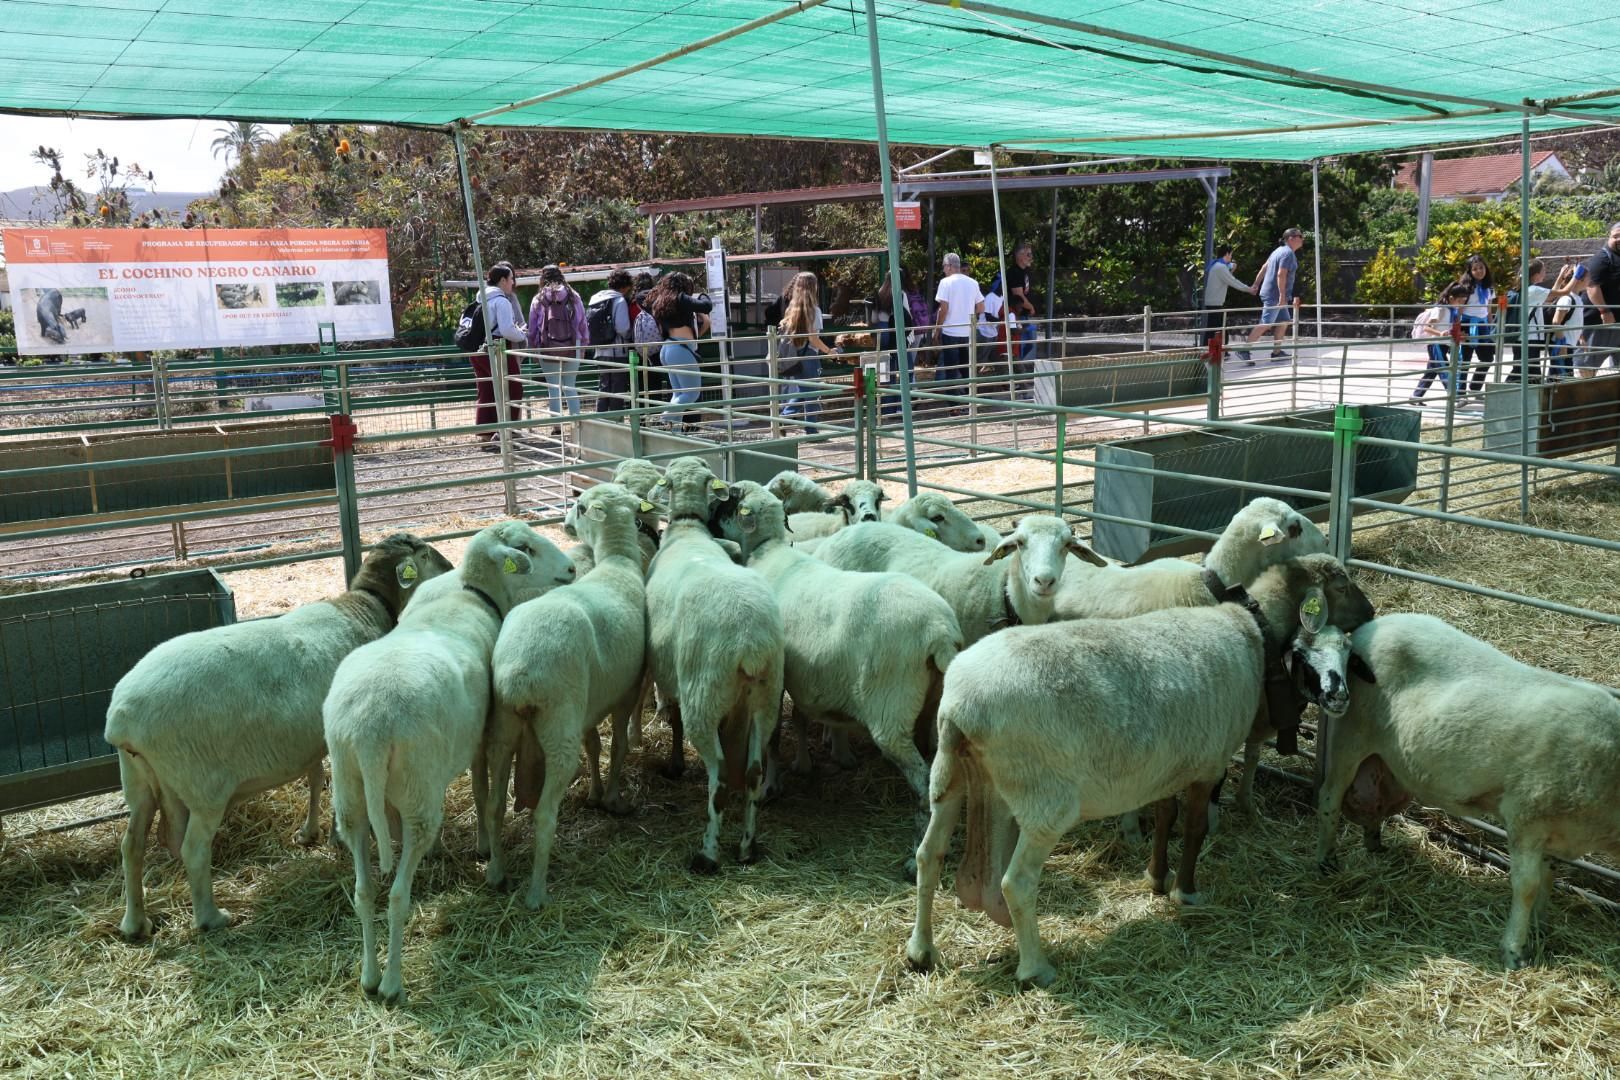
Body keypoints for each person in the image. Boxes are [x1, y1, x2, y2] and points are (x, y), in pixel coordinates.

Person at [469, 261, 527, 452]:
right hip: (495, 348)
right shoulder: (501, 301)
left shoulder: (480, 298)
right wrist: (522, 334)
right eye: (511, 279)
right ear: (502, 280)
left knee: (486, 389)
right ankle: (505, 433)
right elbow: (507, 330)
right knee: (514, 388)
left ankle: (486, 433)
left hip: (476, 351)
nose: (512, 283)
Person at [647, 271, 713, 429]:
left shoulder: (660, 301)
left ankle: (673, 432)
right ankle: (664, 417)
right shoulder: (680, 298)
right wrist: (703, 294)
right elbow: (706, 306)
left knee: (679, 395)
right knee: (692, 393)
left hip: (669, 348)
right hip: (681, 349)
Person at [526, 264, 588, 428]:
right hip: (573, 345)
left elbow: (532, 330)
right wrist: (583, 346)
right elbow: (582, 324)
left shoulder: (538, 299)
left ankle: (556, 427)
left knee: (553, 388)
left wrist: (534, 350)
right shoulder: (573, 296)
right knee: (570, 386)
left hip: (547, 347)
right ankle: (576, 425)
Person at [1233, 227, 1303, 365]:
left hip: (1274, 294)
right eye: (1300, 236)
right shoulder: (1288, 253)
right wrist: (1282, 296)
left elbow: (1264, 267)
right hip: (1275, 295)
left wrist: (1255, 285)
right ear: (1291, 238)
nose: (1302, 239)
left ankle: (1276, 352)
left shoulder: (1277, 251)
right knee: (1266, 323)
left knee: (1283, 322)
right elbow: (1281, 274)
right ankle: (1244, 350)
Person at [777, 271, 838, 425]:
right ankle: (809, 427)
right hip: (810, 355)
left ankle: (786, 417)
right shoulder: (814, 310)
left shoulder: (791, 308)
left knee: (803, 390)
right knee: (811, 392)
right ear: (813, 288)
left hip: (796, 354)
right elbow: (813, 338)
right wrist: (829, 351)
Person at [1409, 281, 1471, 405]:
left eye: (1464, 301)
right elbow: (1427, 327)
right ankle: (1455, 398)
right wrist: (1440, 334)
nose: (1462, 303)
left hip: (1443, 344)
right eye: (1460, 300)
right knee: (1445, 370)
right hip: (1435, 344)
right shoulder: (1440, 309)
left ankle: (1416, 396)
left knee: (1431, 371)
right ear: (1451, 298)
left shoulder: (1452, 310)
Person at [933, 252, 984, 393]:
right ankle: (970, 401)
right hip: (967, 332)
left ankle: (954, 406)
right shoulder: (973, 283)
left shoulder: (945, 282)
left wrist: (937, 329)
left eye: (944, 266)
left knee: (951, 371)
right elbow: (981, 307)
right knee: (966, 369)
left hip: (950, 332)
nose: (943, 270)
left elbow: (943, 309)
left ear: (949, 266)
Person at [587, 269, 635, 414]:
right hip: (617, 351)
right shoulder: (619, 300)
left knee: (604, 387)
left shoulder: (596, 299)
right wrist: (630, 336)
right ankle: (616, 421)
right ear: (625, 286)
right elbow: (622, 327)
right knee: (617, 389)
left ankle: (601, 420)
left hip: (600, 350)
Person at [1200, 244, 1255, 347]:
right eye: (1231, 255)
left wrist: (1231, 267)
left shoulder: (1216, 265)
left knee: (1214, 329)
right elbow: (1233, 281)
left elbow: (1228, 276)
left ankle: (1213, 351)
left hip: (1213, 302)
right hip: (1215, 303)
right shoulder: (1220, 267)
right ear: (1227, 253)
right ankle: (1216, 351)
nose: (1231, 257)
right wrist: (1249, 289)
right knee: (1217, 329)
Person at [1455, 254, 1496, 394]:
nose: (1479, 271)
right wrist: (1457, 328)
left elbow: (1488, 309)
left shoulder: (1489, 287)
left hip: (1483, 325)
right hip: (1467, 324)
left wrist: (1491, 326)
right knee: (1465, 360)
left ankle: (1475, 388)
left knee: (1487, 358)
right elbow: (1459, 309)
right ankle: (1460, 393)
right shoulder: (1466, 287)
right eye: (1475, 269)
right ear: (1470, 271)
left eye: (1481, 267)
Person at [1583, 222, 1620, 374]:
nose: (1619, 239)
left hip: (1616, 322)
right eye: (1616, 236)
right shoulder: (1601, 259)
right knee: (1588, 364)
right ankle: (1581, 395)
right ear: (1609, 237)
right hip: (1599, 323)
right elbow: (1591, 286)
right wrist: (1604, 311)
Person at [1548, 264, 1587, 379]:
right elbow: (1556, 322)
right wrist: (1562, 344)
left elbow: (1575, 321)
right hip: (1562, 344)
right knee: (1560, 378)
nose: (1590, 280)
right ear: (1579, 280)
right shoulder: (1567, 298)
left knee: (1561, 376)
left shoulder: (1578, 298)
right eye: (1588, 278)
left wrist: (1581, 338)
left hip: (1569, 344)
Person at [1005, 242, 1038, 367]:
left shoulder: (1025, 271)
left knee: (1028, 344)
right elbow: (1018, 294)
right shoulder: (1014, 272)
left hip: (1024, 315)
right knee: (1020, 346)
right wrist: (1031, 307)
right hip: (1016, 315)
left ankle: (1021, 371)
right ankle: (1018, 372)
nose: (1031, 257)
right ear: (1019, 256)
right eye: (1028, 254)